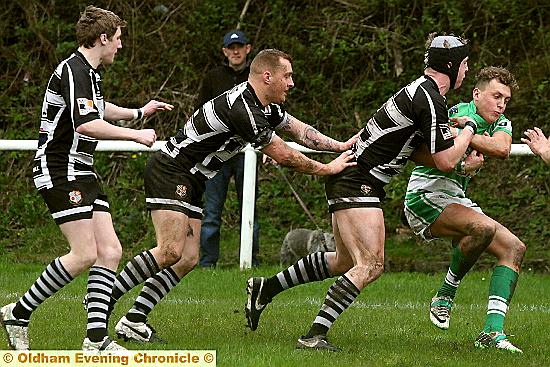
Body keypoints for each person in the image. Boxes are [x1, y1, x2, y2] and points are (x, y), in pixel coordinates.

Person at [108, 48, 358, 343]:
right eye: (287, 76)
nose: (291, 83)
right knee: (169, 251)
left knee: (187, 258)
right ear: (268, 77)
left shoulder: (266, 106)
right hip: (172, 171)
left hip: (193, 179)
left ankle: (134, 320)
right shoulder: (243, 108)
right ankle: (104, 298)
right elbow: (284, 155)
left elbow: (300, 132)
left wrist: (340, 146)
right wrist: (327, 170)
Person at [245, 33, 475, 352]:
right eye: (464, 64)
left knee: (343, 262)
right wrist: (469, 131)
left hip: (353, 177)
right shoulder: (429, 97)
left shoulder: (422, 93)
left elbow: (418, 152)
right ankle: (313, 336)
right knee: (371, 264)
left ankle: (265, 288)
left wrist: (457, 144)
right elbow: (446, 161)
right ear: (451, 66)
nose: (466, 71)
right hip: (358, 180)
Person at [0, 5, 173, 352]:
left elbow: (98, 108)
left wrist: (140, 112)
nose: (121, 46)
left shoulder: (88, 73)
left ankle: (96, 341)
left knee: (110, 251)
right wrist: (134, 135)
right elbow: (85, 124)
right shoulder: (75, 70)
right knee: (83, 254)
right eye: (118, 38)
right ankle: (17, 313)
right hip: (59, 167)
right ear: (103, 38)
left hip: (80, 169)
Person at [404, 66, 525, 353]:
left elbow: (502, 148)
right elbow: (431, 151)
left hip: (455, 197)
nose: (501, 104)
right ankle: (445, 294)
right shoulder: (455, 109)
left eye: (506, 100)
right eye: (496, 96)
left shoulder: (500, 123)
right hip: (425, 194)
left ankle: (491, 333)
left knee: (514, 248)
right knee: (482, 227)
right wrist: (462, 159)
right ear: (476, 93)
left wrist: (467, 132)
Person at [197, 29, 261, 268]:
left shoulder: (258, 78)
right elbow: (199, 113)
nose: (235, 51)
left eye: (240, 47)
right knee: (212, 212)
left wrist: (269, 149)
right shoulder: (213, 77)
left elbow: (269, 113)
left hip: (249, 152)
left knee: (250, 210)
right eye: (231, 48)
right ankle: (207, 264)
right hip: (217, 153)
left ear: (248, 49)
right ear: (225, 51)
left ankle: (250, 261)